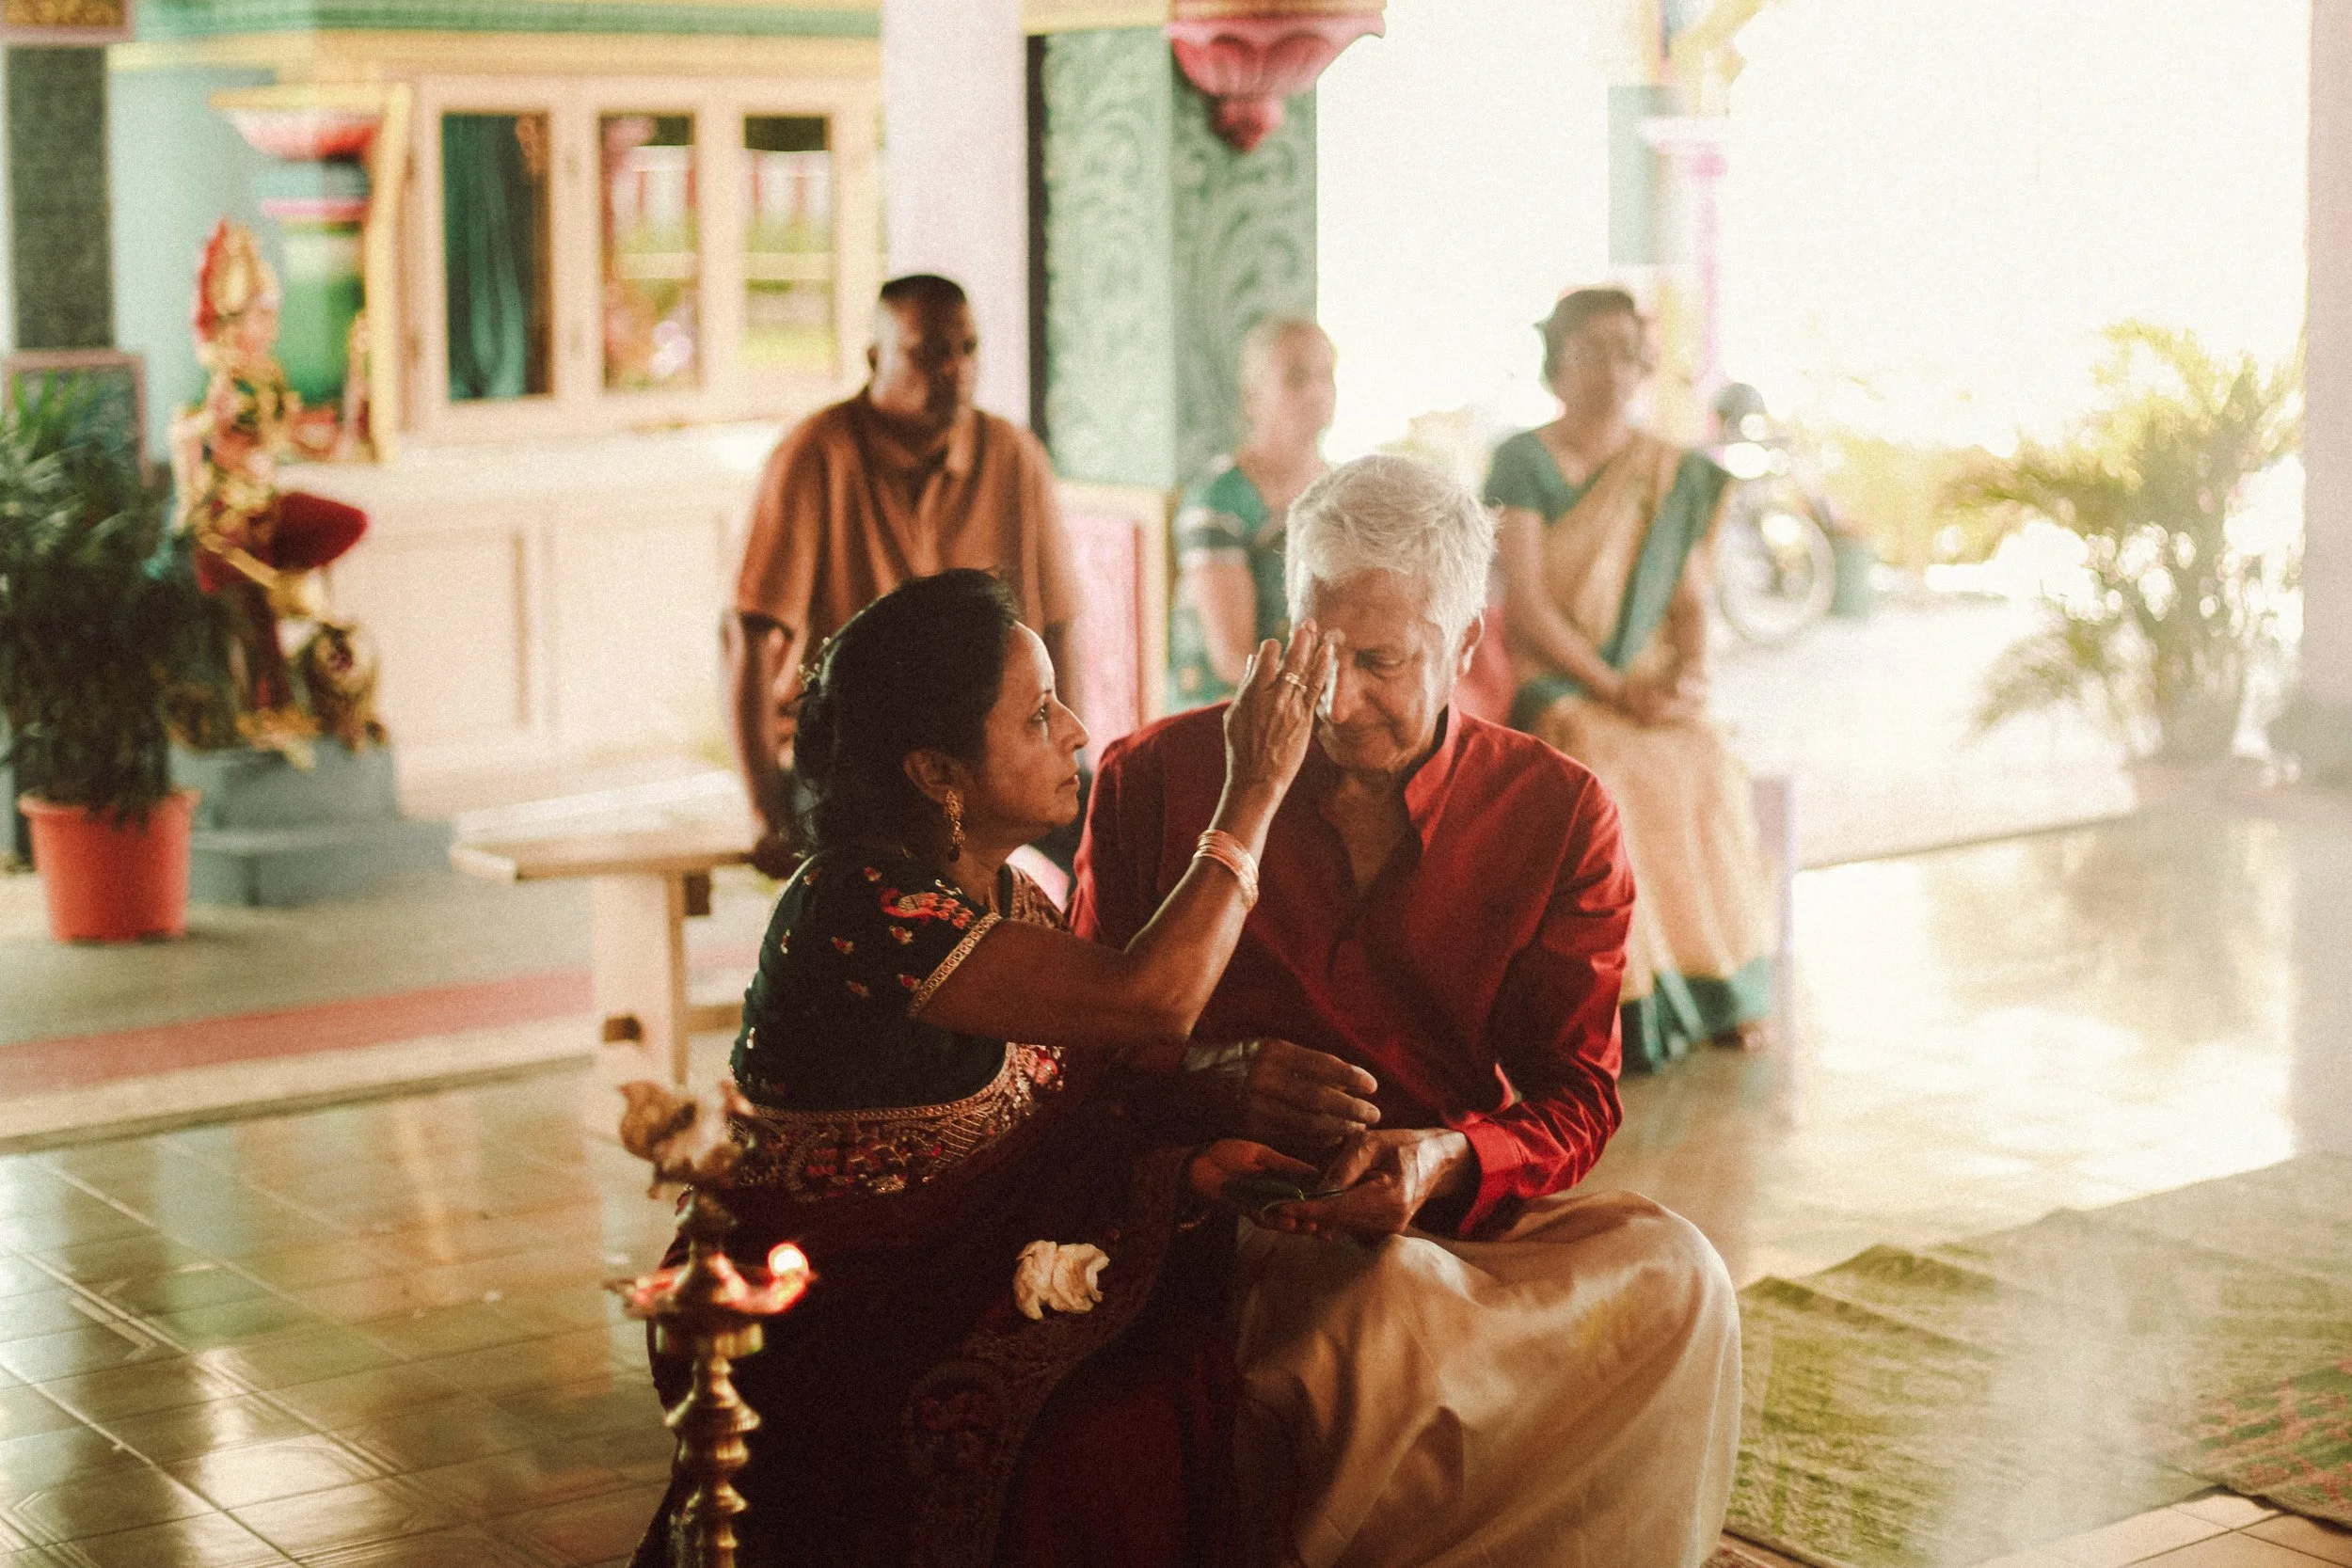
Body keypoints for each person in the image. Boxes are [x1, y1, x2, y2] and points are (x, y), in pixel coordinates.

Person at [1075, 455, 1741, 1568]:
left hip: (1448, 1214)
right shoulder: (1157, 776)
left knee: (1680, 1278)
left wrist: (1444, 1157)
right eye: (1315, 651)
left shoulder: (1555, 809)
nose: (1335, 699)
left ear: (1467, 642)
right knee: (1372, 1310)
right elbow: (1078, 1058)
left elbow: (1577, 1095)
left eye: (1380, 662)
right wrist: (1219, 1080)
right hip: (1244, 1212)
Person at [635, 569, 1340, 1568]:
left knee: (1182, 1361)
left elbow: (1087, 1099)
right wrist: (1254, 792)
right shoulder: (859, 908)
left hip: (937, 1273)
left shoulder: (1006, 896)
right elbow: (1154, 998)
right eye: (1037, 715)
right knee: (1101, 1428)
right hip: (822, 1309)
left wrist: (1190, 1164)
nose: (1076, 731)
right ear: (936, 771)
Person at [1486, 286, 1775, 1069]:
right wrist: (1616, 692)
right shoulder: (1522, 459)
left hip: (1644, 683)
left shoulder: (1665, 471)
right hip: (1559, 677)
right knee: (1604, 768)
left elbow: (1688, 602)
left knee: (1706, 758)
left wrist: (1690, 677)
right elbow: (1529, 608)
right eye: (1593, 351)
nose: (1614, 369)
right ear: (1557, 361)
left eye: (1627, 351)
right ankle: (1629, 1007)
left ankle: (1720, 990)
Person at [727, 274, 1083, 877]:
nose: (955, 369)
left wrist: (1053, 744)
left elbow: (1060, 627)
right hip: (849, 757)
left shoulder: (1013, 454)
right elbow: (747, 638)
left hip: (984, 750)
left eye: (968, 349)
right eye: (929, 353)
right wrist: (765, 809)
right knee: (903, 867)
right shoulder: (815, 454)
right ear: (874, 358)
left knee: (1122, 832)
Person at [1167, 317, 1336, 710]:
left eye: (1326, 376)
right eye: (1296, 378)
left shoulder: (1343, 492)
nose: (1316, 392)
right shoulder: (1218, 499)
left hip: (1316, 700)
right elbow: (1233, 659)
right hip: (1232, 713)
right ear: (1252, 396)